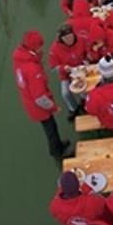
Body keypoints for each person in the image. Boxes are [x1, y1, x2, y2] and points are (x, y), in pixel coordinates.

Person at [12, 30, 70, 159]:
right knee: (51, 130)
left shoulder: (19, 60)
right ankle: (58, 153)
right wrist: (53, 107)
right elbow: (39, 97)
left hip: (29, 101)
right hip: (39, 107)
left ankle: (57, 147)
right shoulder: (33, 70)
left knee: (50, 129)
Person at [47, 25, 88, 118]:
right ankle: (73, 108)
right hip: (66, 74)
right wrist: (64, 68)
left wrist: (86, 61)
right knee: (65, 93)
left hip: (81, 71)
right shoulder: (54, 50)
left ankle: (84, 101)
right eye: (67, 38)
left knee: (85, 89)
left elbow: (87, 52)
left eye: (71, 36)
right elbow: (53, 67)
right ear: (61, 38)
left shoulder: (81, 40)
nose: (70, 39)